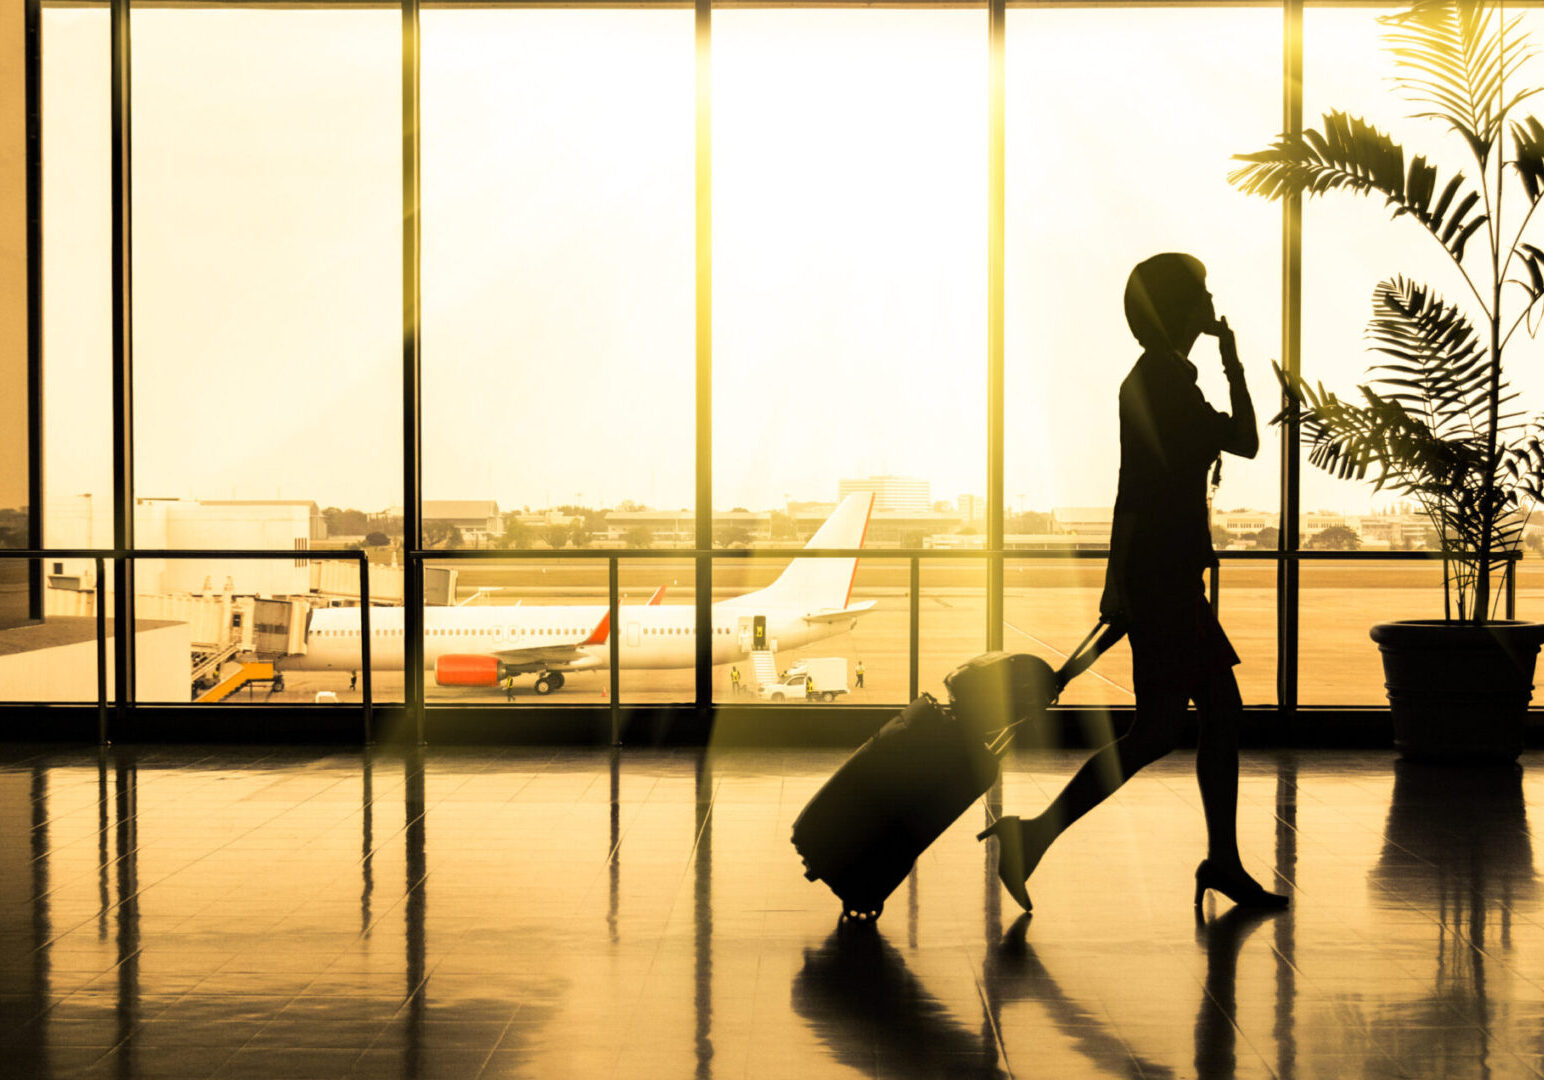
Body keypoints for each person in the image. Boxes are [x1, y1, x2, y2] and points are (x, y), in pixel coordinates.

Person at [979, 253, 1287, 913]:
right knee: (1194, 722)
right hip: (1166, 583)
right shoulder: (1164, 382)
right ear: (1178, 305)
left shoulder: (1161, 376)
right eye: (1201, 290)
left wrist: (1123, 585)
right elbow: (1245, 442)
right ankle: (1215, 861)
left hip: (1161, 577)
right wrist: (1234, 359)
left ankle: (1038, 837)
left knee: (1162, 730)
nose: (1212, 298)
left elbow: (1136, 493)